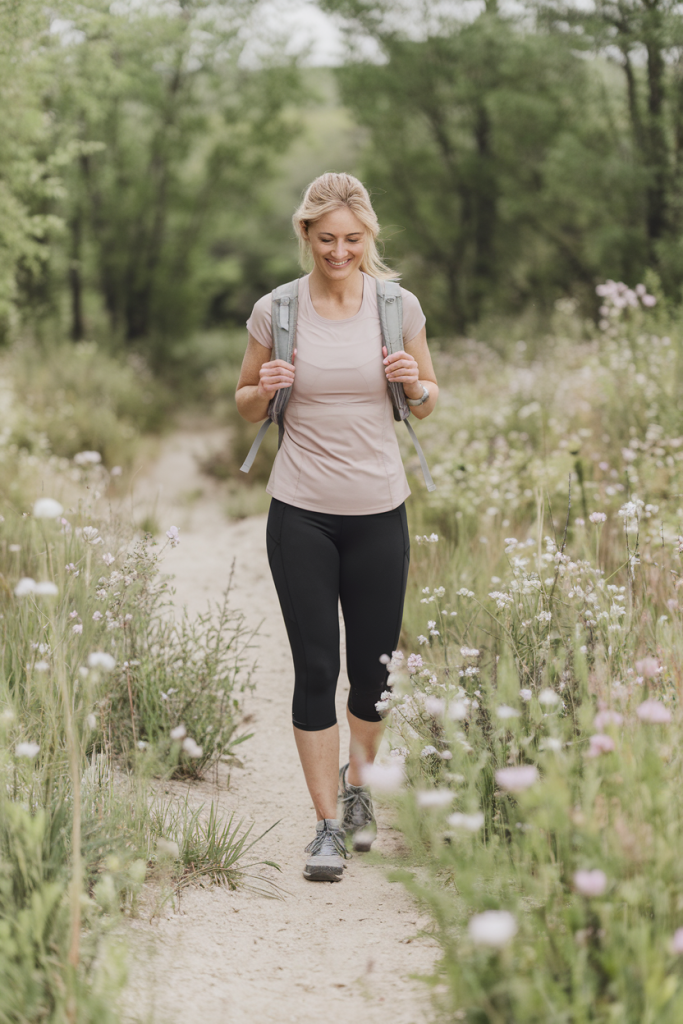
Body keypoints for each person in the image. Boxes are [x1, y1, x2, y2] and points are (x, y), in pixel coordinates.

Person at [235, 172, 438, 882]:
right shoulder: (277, 309)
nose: (339, 252)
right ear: (305, 236)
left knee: (373, 672)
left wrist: (414, 381)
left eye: (352, 240)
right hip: (301, 512)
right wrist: (261, 392)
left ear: (369, 237)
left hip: (380, 509)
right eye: (326, 240)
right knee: (317, 667)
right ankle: (325, 826)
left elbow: (427, 398)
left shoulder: (396, 305)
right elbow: (243, 403)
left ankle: (359, 790)